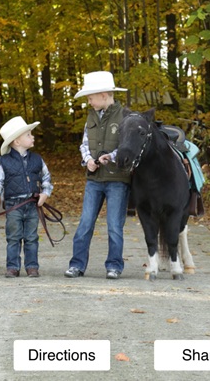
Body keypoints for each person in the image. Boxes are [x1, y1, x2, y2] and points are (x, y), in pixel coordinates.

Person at [65, 71, 131, 280]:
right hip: (94, 180)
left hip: (117, 181)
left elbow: (128, 147)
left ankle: (114, 266)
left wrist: (109, 157)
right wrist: (88, 160)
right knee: (85, 223)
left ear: (104, 95)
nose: (89, 101)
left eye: (91, 97)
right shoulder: (91, 116)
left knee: (114, 225)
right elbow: (84, 143)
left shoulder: (126, 116)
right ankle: (77, 265)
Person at [0, 116, 53, 278]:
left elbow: (46, 178)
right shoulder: (4, 162)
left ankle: (32, 266)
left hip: (32, 205)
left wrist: (45, 194)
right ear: (16, 142)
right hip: (14, 205)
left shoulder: (37, 159)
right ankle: (12, 267)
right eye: (28, 135)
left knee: (32, 237)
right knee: (13, 237)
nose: (32, 137)